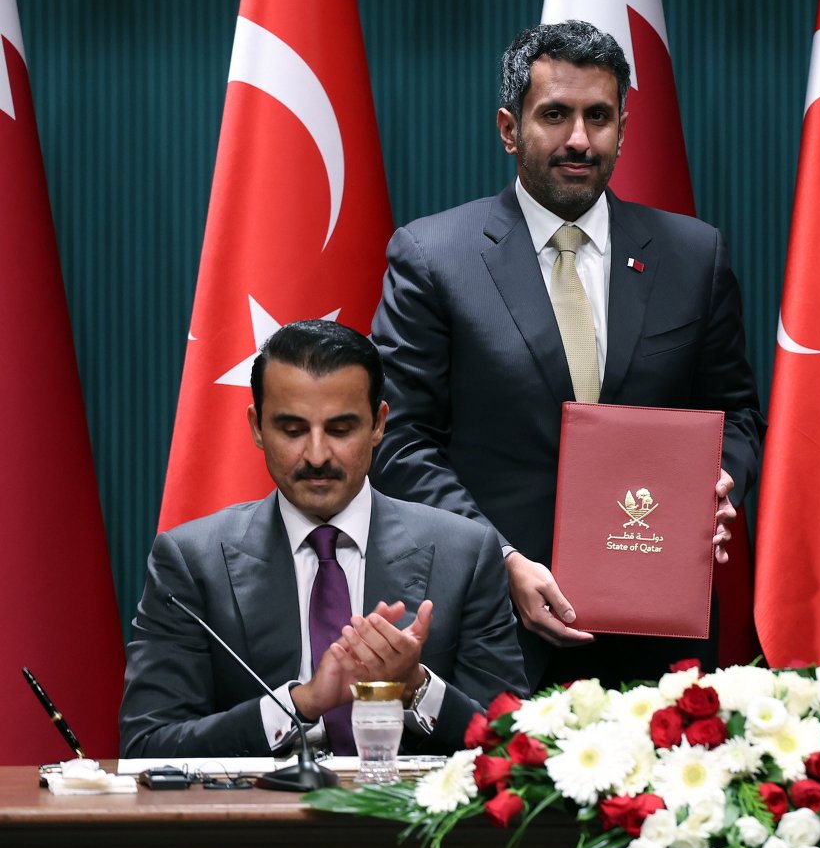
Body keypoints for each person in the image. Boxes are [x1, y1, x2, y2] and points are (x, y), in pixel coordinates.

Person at [370, 20, 764, 689]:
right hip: (493, 632)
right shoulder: (433, 259)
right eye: (555, 115)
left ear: (623, 128)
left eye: (599, 116)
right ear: (509, 127)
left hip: (655, 638)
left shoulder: (695, 257)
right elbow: (400, 441)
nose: (580, 139)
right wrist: (501, 557)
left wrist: (720, 483)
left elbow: (737, 417)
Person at [121, 320, 527, 758]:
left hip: (410, 823)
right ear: (257, 427)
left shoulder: (465, 554)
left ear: (378, 425)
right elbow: (147, 747)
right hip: (255, 822)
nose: (316, 456)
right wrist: (300, 704)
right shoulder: (190, 561)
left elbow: (513, 748)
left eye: (340, 429)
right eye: (292, 430)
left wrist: (415, 687)